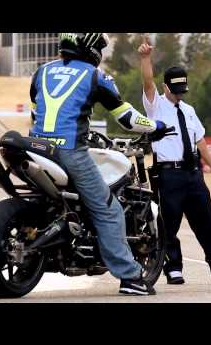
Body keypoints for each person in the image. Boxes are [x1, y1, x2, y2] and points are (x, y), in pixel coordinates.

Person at [30, 33, 169, 295]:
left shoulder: (41, 72)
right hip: (70, 151)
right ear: (90, 47)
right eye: (99, 47)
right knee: (109, 210)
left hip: (36, 147)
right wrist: (155, 126)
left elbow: (38, 107)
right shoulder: (95, 76)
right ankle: (130, 278)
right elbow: (126, 118)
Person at [138, 38, 211, 285]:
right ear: (166, 87)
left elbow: (200, 140)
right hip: (169, 174)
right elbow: (147, 83)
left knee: (205, 218)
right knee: (169, 223)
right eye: (174, 90)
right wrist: (145, 59)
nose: (178, 94)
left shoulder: (189, 110)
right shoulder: (155, 106)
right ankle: (173, 268)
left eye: (182, 90)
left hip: (193, 172)